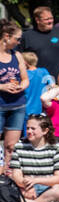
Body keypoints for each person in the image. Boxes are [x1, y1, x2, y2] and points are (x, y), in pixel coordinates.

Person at [8, 114, 59, 202]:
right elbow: (17, 175)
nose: (29, 131)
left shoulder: (57, 148)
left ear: (45, 131)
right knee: (7, 192)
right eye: (28, 128)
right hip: (24, 188)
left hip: (47, 189)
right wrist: (27, 187)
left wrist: (36, 181)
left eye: (33, 129)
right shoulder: (19, 146)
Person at [1, 19, 31, 175]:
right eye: (17, 39)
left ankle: (7, 174)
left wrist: (22, 86)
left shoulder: (17, 55)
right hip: (0, 105)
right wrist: (3, 86)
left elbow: (25, 79)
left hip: (17, 105)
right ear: (6, 36)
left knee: (11, 146)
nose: (19, 42)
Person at [19, 6, 59, 78]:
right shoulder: (26, 36)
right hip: (37, 81)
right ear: (37, 20)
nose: (50, 21)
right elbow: (18, 57)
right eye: (47, 19)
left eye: (51, 18)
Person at [20, 52, 54, 128]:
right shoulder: (43, 71)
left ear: (25, 63)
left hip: (25, 108)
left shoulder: (24, 75)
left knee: (27, 130)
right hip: (40, 108)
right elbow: (52, 84)